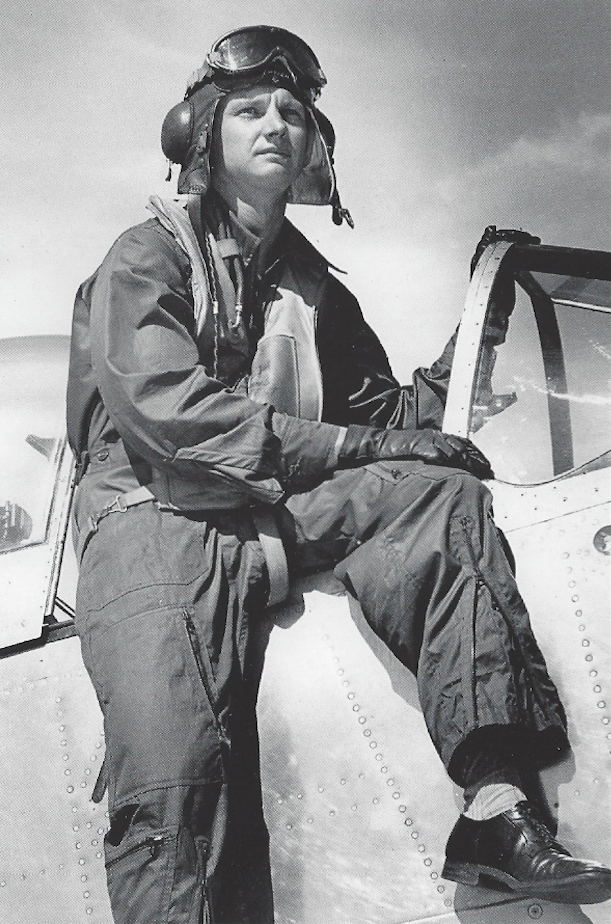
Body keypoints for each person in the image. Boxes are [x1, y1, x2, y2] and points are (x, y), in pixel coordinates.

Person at [66, 25, 611, 923]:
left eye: (291, 110)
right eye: (249, 110)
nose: (275, 123)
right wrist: (362, 451)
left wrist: (472, 350)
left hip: (270, 505)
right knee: (175, 788)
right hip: (153, 516)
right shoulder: (145, 255)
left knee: (435, 493)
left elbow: (383, 427)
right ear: (206, 131)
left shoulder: (318, 289)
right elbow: (168, 417)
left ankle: (493, 809)